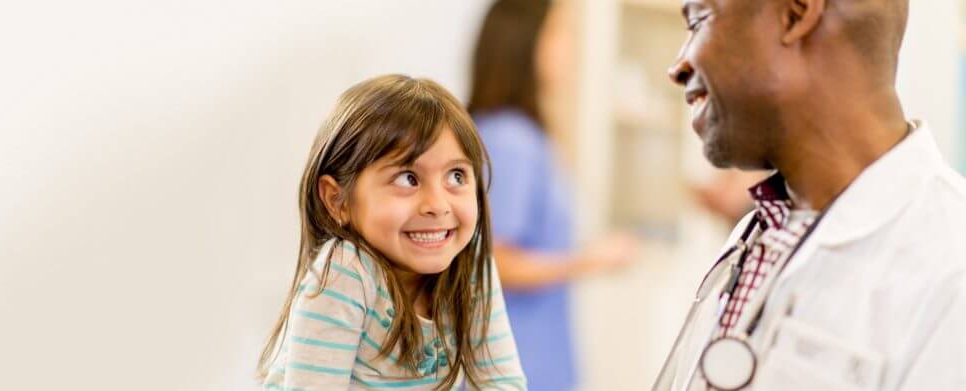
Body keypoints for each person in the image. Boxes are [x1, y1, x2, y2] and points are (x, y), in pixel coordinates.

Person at [655, 0, 966, 389]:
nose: (678, 66)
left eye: (700, 20)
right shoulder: (762, 233)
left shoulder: (952, 270)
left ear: (796, 14)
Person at [257, 74, 527, 390]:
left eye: (456, 176)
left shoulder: (471, 261)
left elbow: (502, 382)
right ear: (337, 200)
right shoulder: (346, 274)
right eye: (407, 179)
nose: (438, 206)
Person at [468, 1, 637, 389]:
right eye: (559, 34)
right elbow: (494, 261)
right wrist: (590, 260)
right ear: (525, 43)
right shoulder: (512, 140)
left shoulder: (512, 134)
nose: (569, 49)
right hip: (518, 367)